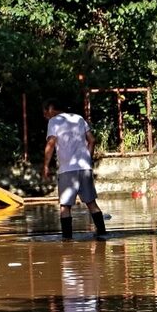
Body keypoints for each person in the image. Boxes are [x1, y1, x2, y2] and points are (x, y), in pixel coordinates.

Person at [42, 99, 106, 239]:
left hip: (67, 169)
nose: (45, 116)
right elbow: (92, 140)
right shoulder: (79, 118)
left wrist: (46, 165)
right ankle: (102, 234)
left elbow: (51, 143)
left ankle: (67, 240)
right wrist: (87, 158)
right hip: (85, 167)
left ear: (51, 109)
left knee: (65, 206)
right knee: (91, 203)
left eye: (45, 113)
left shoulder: (54, 121)